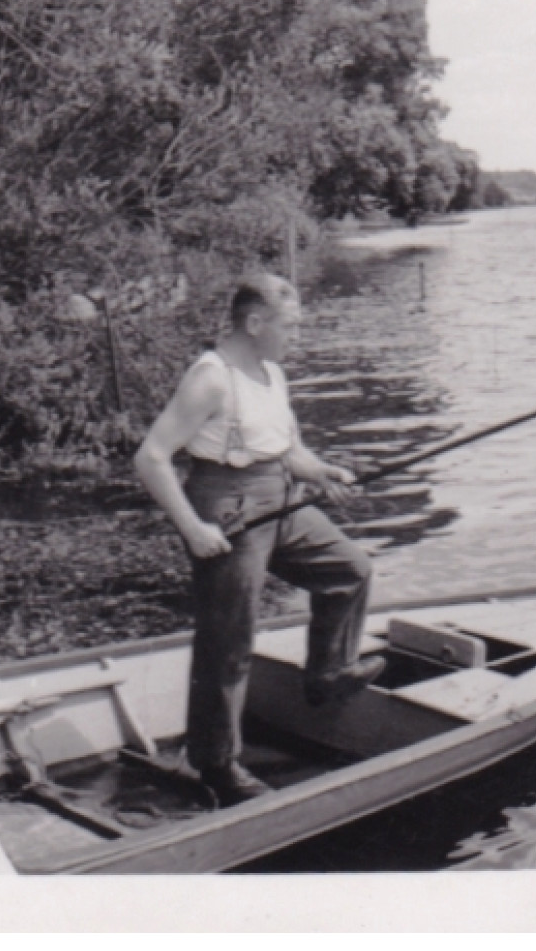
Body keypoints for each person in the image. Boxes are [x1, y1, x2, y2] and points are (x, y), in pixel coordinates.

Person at [133, 272, 383, 806]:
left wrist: (325, 473)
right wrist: (193, 528)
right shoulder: (212, 376)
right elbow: (151, 457)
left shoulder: (271, 373)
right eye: (289, 326)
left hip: (281, 496)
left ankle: (328, 673)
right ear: (254, 322)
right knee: (229, 641)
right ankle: (217, 766)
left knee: (349, 570)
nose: (297, 336)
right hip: (225, 507)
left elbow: (288, 451)